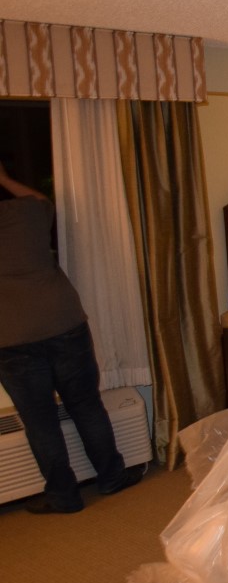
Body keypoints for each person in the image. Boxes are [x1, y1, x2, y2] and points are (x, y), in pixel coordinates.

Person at [0, 161, 142, 514]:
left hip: (11, 335)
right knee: (85, 404)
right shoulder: (26, 213)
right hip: (61, 321)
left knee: (40, 420)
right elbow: (41, 199)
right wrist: (4, 178)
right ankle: (111, 478)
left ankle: (64, 496)